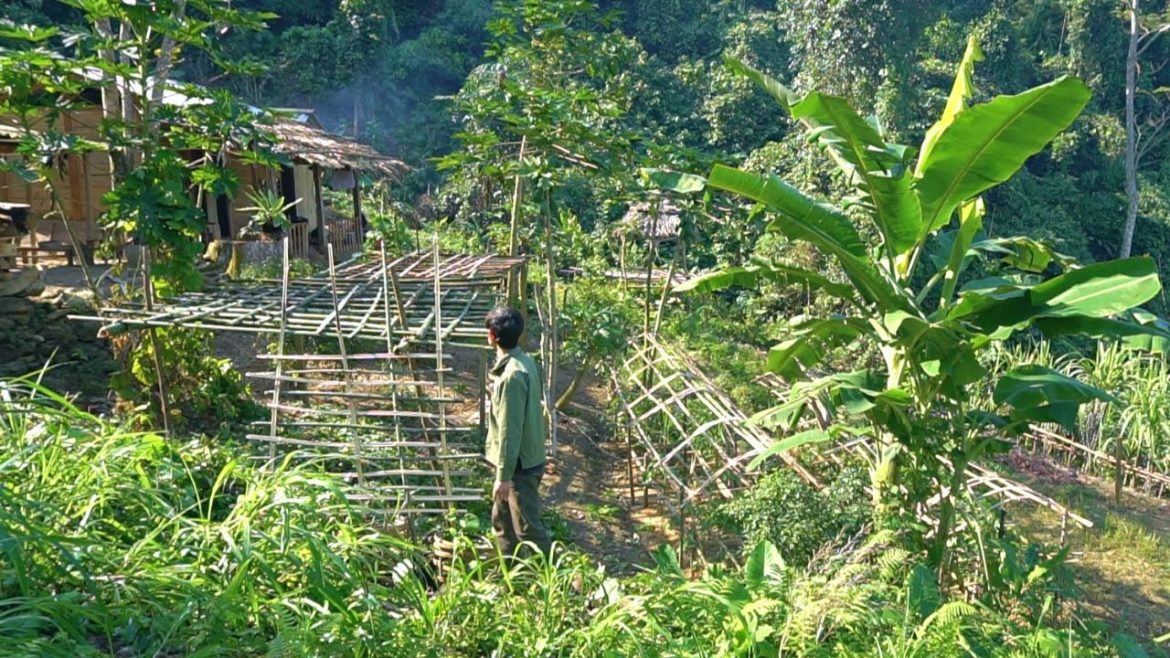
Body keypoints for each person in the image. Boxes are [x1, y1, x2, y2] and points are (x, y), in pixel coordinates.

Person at [483, 305, 551, 557]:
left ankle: (551, 578)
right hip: (524, 458)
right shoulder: (525, 361)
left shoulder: (512, 376)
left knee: (527, 529)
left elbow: (509, 432)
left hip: (518, 465)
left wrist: (503, 476)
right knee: (502, 523)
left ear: (491, 336)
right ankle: (510, 577)